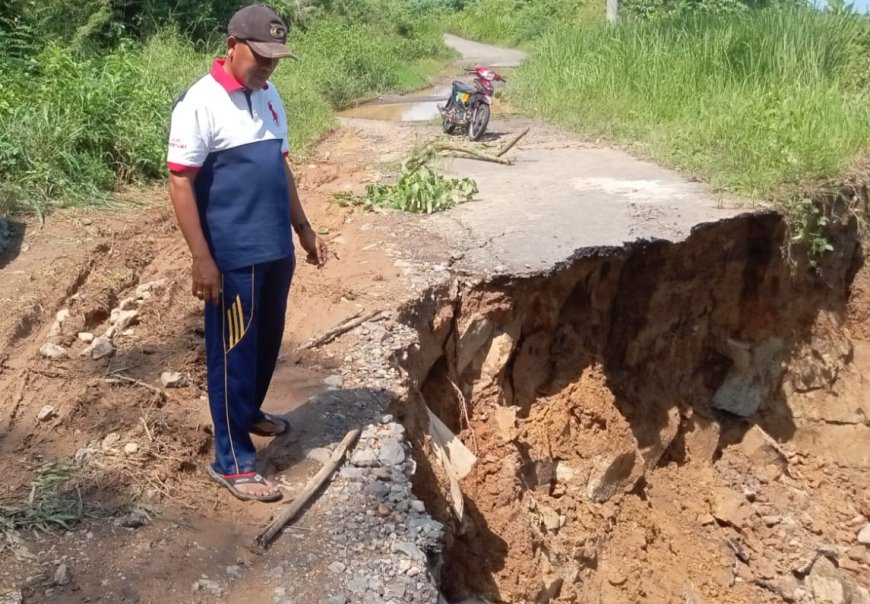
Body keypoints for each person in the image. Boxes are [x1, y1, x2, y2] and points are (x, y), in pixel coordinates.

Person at [166, 4, 327, 502]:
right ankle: (231, 459)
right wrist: (201, 257)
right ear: (232, 45)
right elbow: (180, 179)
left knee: (266, 341)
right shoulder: (201, 102)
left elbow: (280, 165)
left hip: (275, 245)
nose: (267, 67)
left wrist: (303, 228)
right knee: (232, 353)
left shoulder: (269, 93)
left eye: (276, 59)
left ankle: (249, 412)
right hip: (233, 255)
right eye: (260, 57)